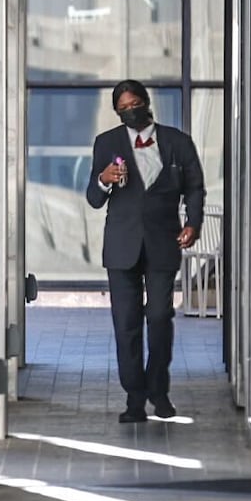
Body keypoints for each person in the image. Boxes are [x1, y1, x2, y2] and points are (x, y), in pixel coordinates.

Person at [84, 79, 207, 423]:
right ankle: (135, 398)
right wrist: (104, 179)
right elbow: (94, 200)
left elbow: (195, 187)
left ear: (146, 102)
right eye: (122, 109)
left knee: (158, 319)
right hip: (122, 246)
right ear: (117, 112)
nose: (130, 111)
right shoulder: (106, 143)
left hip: (163, 243)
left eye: (134, 104)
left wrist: (192, 224)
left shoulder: (177, 143)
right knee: (126, 324)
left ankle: (159, 391)